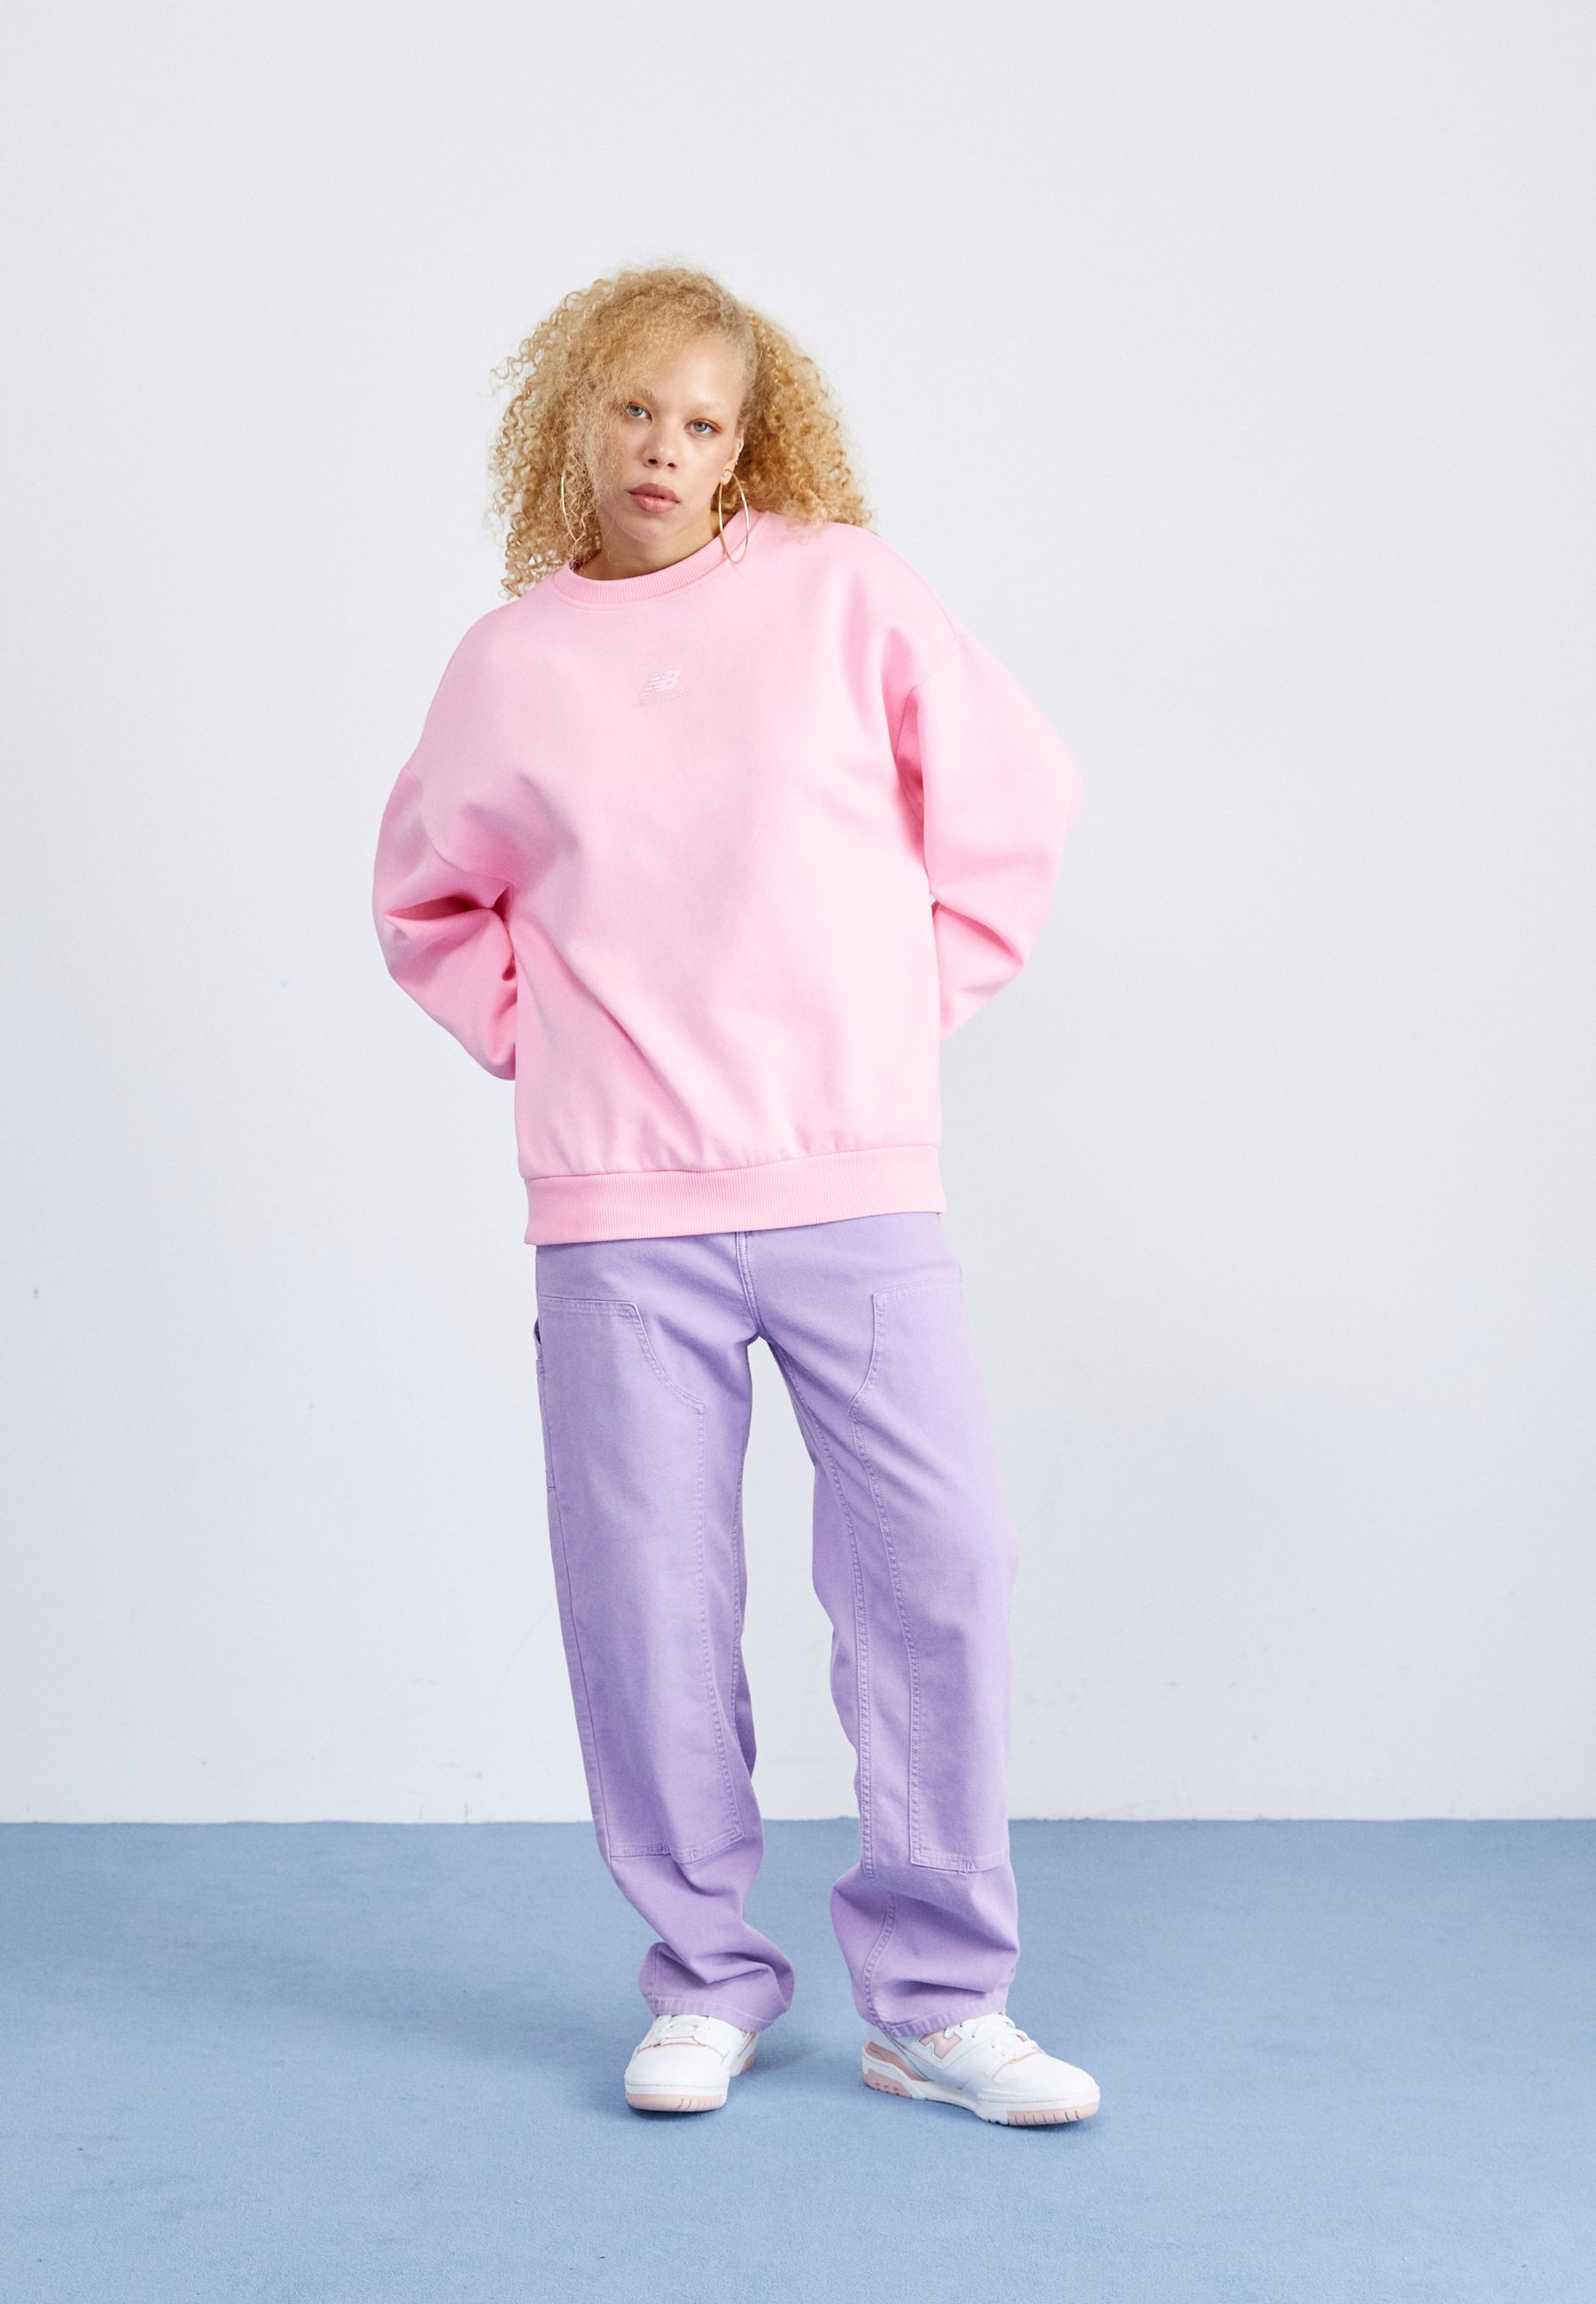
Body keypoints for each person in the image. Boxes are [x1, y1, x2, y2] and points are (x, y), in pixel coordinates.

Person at [371, 263, 1100, 2129]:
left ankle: (935, 1999)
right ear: (571, 415)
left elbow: (1012, 803)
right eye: (631, 407)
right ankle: (703, 1977)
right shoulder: (511, 663)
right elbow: (425, 902)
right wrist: (560, 1053)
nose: (662, 448)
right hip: (620, 1213)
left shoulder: (847, 594)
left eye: (701, 421)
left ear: (746, 443)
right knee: (648, 1607)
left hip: (852, 1180)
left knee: (940, 1568)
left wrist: (889, 1018)